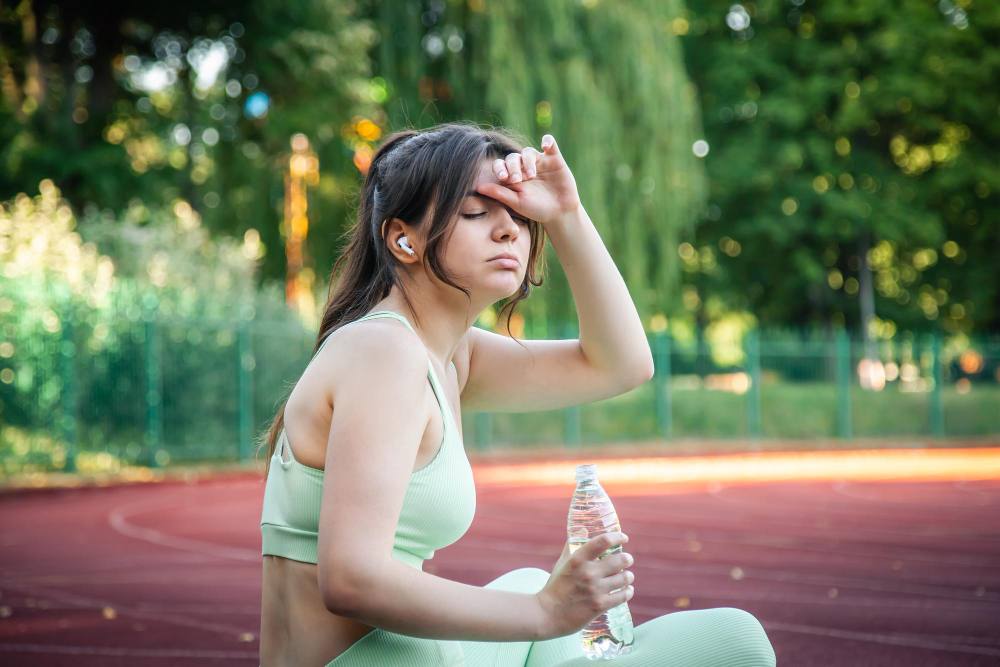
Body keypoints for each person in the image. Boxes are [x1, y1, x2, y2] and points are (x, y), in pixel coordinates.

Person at [257, 122, 777, 666]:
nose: (510, 231)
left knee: (529, 580)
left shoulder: (448, 356)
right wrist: (545, 612)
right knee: (734, 640)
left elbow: (621, 364)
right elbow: (352, 579)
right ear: (403, 239)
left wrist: (566, 213)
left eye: (522, 219)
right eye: (477, 212)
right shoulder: (385, 353)